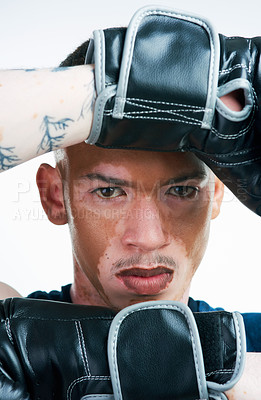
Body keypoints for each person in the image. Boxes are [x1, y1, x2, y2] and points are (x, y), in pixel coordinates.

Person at [0, 10, 261, 398]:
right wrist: (109, 88)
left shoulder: (253, 343)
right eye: (108, 192)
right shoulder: (13, 346)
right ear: (55, 196)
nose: (148, 238)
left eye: (183, 191)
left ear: (218, 193)